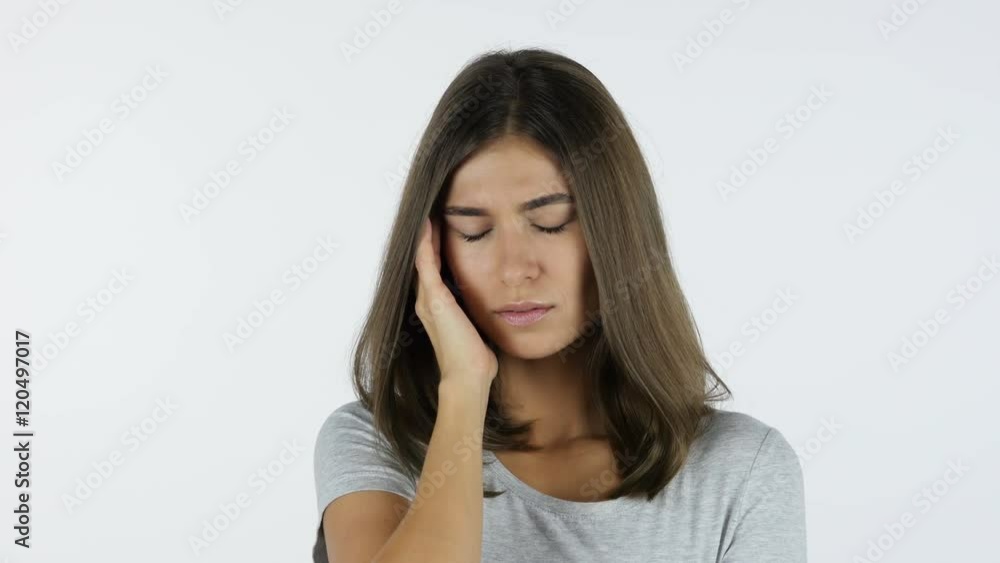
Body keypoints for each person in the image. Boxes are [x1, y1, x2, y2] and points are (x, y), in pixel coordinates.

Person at [312, 47, 807, 563]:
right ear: (433, 249)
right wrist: (463, 387)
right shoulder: (377, 442)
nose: (515, 268)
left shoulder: (742, 470)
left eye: (550, 223)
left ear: (615, 233)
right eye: (474, 231)